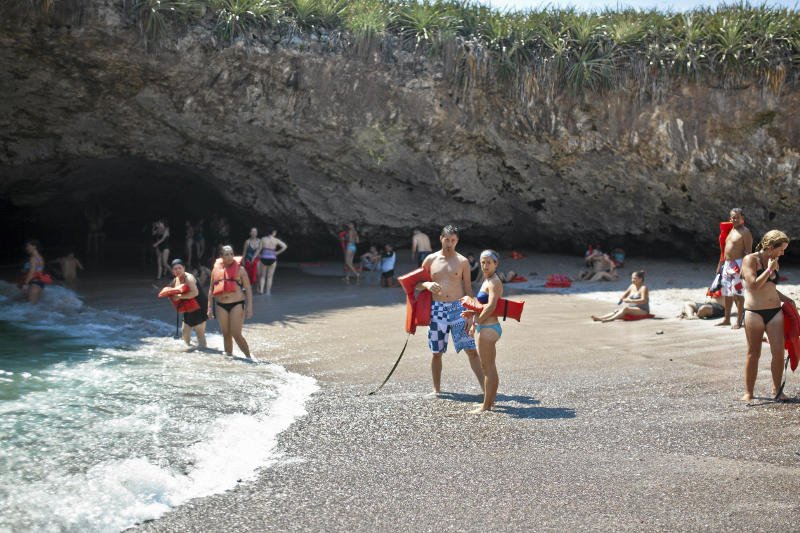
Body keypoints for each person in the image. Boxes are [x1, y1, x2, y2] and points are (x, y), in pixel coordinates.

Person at [418, 225, 484, 395]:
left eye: (453, 240)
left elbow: (468, 290)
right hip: (437, 308)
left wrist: (472, 315)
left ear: (457, 241)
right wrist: (426, 284)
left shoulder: (462, 261)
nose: (449, 243)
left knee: (471, 349)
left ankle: (486, 389)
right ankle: (436, 390)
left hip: (458, 308)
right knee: (436, 352)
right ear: (441, 238)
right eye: (447, 239)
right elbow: (416, 284)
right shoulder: (430, 260)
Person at [740, 230, 793, 402]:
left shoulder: (774, 260)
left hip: (774, 311)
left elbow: (770, 287)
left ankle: (777, 390)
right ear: (770, 247)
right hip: (754, 312)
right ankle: (749, 392)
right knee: (753, 354)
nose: (783, 253)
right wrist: (770, 269)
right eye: (781, 249)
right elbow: (753, 285)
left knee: (778, 352)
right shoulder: (750, 260)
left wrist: (787, 299)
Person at [467, 250, 504, 413]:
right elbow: (481, 304)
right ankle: (490, 401)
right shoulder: (486, 279)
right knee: (489, 367)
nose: (485, 265)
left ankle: (486, 405)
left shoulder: (494, 281)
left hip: (489, 328)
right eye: (482, 262)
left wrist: (476, 322)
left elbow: (491, 306)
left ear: (496, 264)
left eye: (489, 262)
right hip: (485, 326)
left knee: (487, 368)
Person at [208, 245, 254, 359]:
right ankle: (229, 358)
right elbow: (211, 289)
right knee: (226, 334)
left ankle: (249, 358)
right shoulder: (215, 270)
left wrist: (249, 307)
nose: (230, 257)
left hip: (237, 304)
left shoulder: (240, 269)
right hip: (221, 305)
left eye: (231, 254)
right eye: (226, 254)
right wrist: (209, 308)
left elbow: (248, 288)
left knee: (236, 334)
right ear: (221, 256)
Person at [716, 208, 752, 329]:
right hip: (727, 263)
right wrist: (720, 265)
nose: (734, 219)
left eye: (737, 217)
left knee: (738, 293)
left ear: (742, 218)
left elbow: (748, 252)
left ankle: (738, 320)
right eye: (732, 217)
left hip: (738, 264)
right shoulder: (730, 230)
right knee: (727, 292)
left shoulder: (745, 232)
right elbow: (724, 249)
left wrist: (744, 268)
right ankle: (726, 319)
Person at [169, 259, 207, 348]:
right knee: (185, 331)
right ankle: (188, 353)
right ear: (172, 271)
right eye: (175, 269)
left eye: (179, 268)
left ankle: (204, 351)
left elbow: (195, 293)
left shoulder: (189, 278)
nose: (177, 270)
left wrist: (179, 297)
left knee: (199, 332)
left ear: (184, 268)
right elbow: (171, 291)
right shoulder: (175, 280)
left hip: (200, 306)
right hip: (189, 305)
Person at [258, 229, 288, 295]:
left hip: (264, 258)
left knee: (263, 276)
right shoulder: (276, 240)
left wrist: (259, 255)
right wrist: (277, 252)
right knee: (269, 277)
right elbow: (285, 246)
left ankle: (261, 290)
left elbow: (259, 249)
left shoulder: (263, 239)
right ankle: (268, 292)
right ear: (274, 233)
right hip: (272, 258)